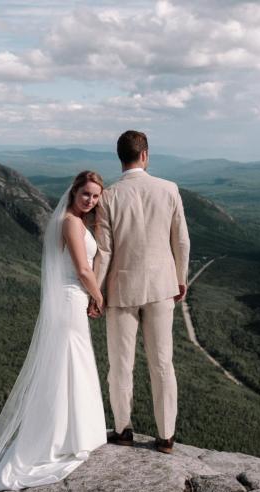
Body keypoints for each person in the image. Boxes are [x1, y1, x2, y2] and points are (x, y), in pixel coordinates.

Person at [0, 171, 107, 491]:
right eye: (86, 194)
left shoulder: (74, 220)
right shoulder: (72, 223)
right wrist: (99, 297)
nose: (90, 200)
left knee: (70, 364)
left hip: (72, 298)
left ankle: (72, 432)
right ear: (74, 192)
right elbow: (82, 269)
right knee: (68, 363)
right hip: (71, 298)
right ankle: (62, 437)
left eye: (96, 196)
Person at [89, 130, 190, 454]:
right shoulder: (169, 189)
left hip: (121, 290)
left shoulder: (109, 196)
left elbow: (104, 251)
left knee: (120, 365)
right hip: (162, 286)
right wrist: (180, 279)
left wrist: (97, 292)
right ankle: (166, 436)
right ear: (145, 155)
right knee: (163, 363)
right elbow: (182, 241)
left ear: (120, 158)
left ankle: (122, 429)